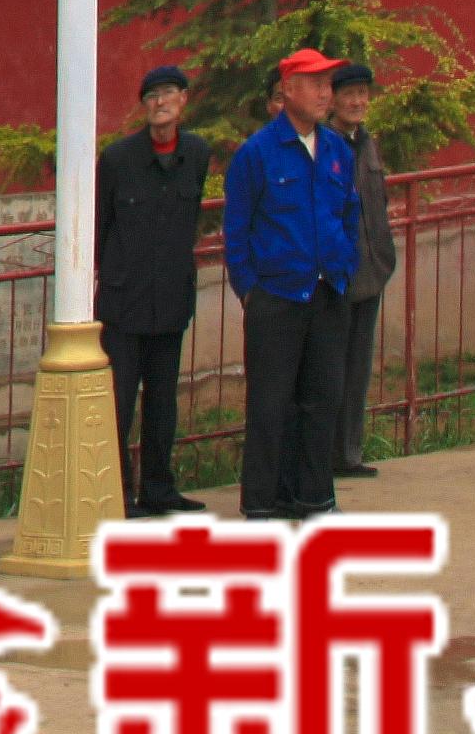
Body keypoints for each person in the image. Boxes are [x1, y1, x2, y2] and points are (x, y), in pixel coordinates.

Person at [215, 51, 358, 521]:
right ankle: (262, 502)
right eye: (315, 84)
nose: (325, 94)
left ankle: (315, 497)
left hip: (327, 292)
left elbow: (349, 213)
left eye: (328, 84)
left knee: (323, 400)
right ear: (289, 89)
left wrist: (345, 263)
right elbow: (237, 229)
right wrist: (249, 289)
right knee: (270, 404)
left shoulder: (337, 150)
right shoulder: (257, 153)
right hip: (276, 296)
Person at [92, 62, 215, 520]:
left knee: (163, 402)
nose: (159, 103)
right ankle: (119, 495)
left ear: (183, 100)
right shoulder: (118, 159)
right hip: (125, 301)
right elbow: (102, 226)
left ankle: (160, 489)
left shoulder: (196, 153)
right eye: (151, 96)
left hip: (171, 298)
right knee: (119, 403)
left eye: (167, 94)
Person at [315, 58, 395, 480]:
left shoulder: (368, 143)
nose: (357, 102)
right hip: (337, 276)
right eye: (349, 94)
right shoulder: (325, 145)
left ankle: (348, 453)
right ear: (333, 100)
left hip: (371, 271)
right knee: (331, 368)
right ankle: (324, 454)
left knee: (358, 367)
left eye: (362, 94)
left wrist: (383, 257)